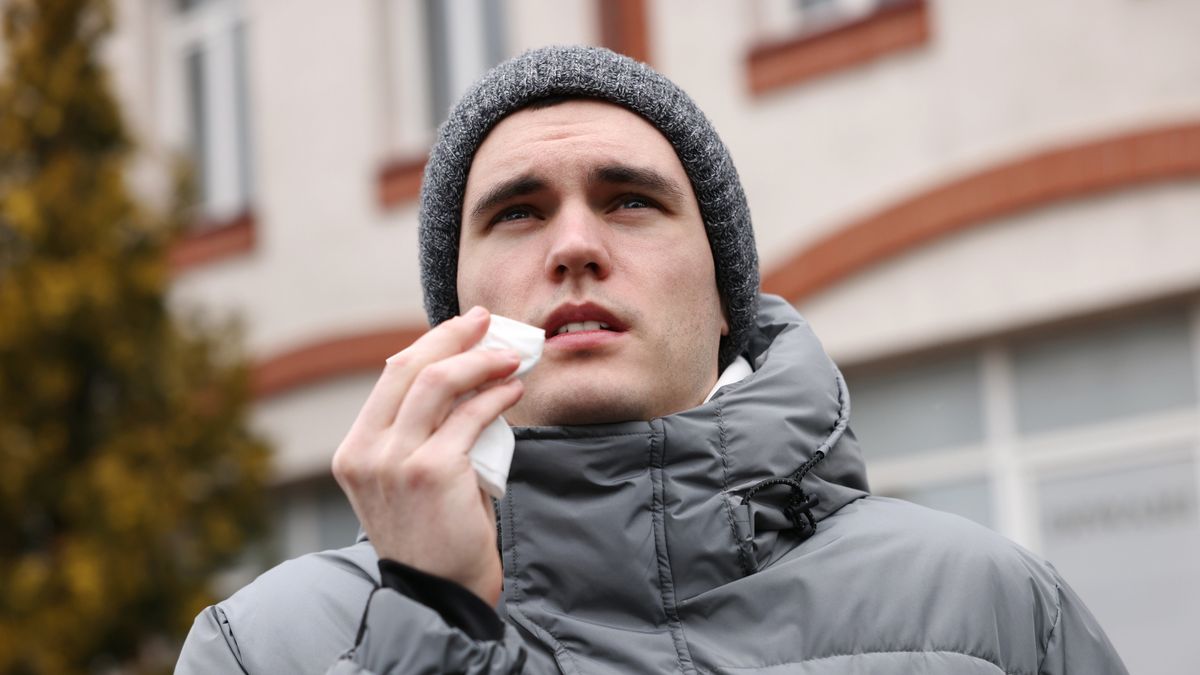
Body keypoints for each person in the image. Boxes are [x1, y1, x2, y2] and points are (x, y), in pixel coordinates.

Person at [176, 45, 1128, 674]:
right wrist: (429, 617)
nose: (574, 246)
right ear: (457, 311)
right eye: (518, 211)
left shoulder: (988, 610)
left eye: (630, 200)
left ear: (726, 298)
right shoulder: (265, 648)